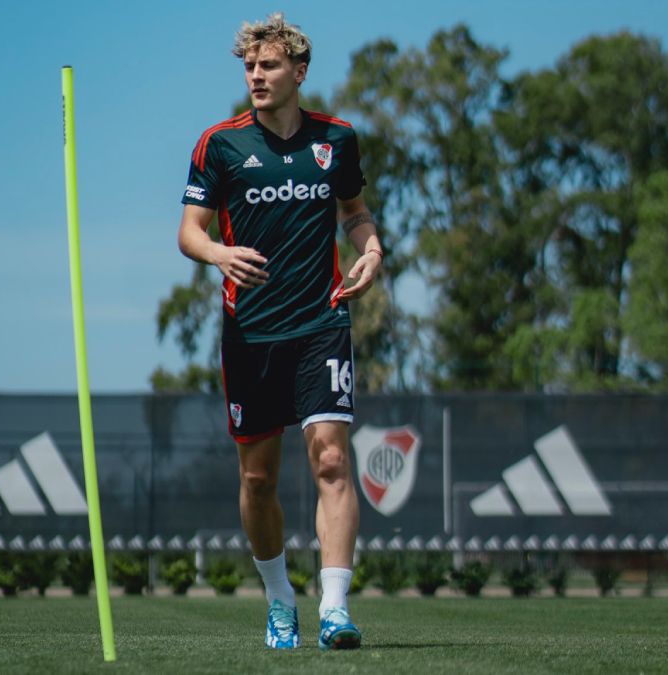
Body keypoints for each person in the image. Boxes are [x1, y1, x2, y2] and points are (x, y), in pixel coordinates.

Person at [176, 12, 383, 651]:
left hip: (322, 320)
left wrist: (371, 250)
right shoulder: (220, 144)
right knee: (258, 480)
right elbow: (189, 232)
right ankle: (278, 600)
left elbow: (354, 213)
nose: (256, 76)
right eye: (249, 66)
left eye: (268, 66)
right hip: (250, 332)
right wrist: (217, 254)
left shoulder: (337, 139)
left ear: (299, 71)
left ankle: (336, 609)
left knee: (330, 457)